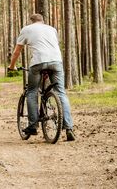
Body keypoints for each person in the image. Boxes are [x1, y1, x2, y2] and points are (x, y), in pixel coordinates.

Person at [8, 13, 76, 141]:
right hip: (56, 62)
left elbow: (17, 51)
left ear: (31, 21)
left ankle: (33, 125)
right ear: (42, 21)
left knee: (32, 91)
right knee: (61, 93)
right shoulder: (52, 29)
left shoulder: (26, 29)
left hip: (38, 62)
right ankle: (69, 128)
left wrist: (11, 66)